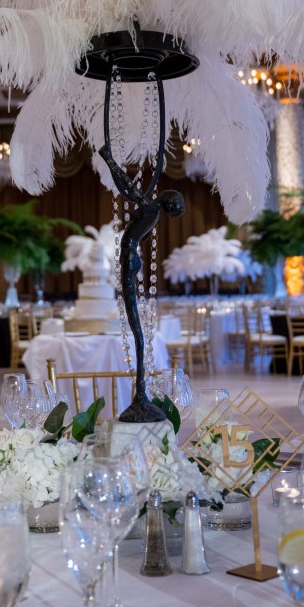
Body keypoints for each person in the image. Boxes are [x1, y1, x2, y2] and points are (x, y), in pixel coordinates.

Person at [99, 144, 185, 422]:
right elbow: (126, 187)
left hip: (130, 257)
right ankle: (140, 394)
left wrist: (110, 159)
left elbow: (137, 221)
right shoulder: (150, 209)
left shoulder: (151, 211)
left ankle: (141, 394)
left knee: (137, 326)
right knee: (136, 325)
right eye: (176, 209)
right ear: (170, 203)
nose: (175, 213)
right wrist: (109, 160)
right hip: (131, 257)